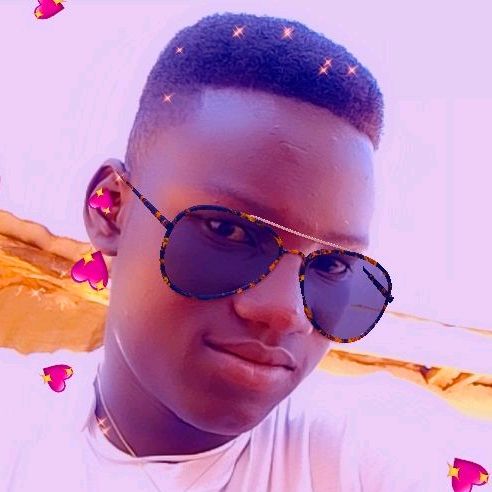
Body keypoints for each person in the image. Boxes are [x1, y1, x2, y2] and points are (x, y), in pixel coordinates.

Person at [0, 11, 473, 492]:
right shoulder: (16, 420)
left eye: (333, 265)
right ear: (111, 208)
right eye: (228, 232)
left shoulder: (363, 452)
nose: (285, 313)